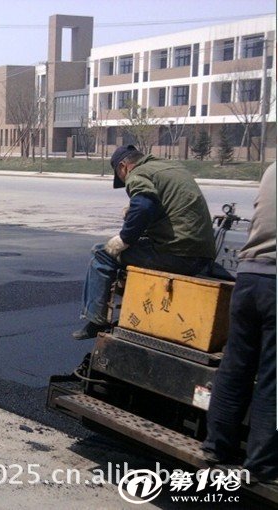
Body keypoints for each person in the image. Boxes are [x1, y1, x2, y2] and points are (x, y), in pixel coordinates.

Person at [73, 145, 216, 340]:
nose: (125, 181)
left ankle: (95, 320)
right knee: (137, 244)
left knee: (102, 253)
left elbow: (144, 206)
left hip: (178, 253)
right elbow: (166, 207)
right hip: (202, 252)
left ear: (124, 167)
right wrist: (133, 213)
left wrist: (124, 238)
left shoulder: (137, 174)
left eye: (121, 176)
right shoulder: (170, 167)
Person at [202, 163, 276, 484]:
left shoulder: (273, 169)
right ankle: (262, 465)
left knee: (235, 366)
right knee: (272, 379)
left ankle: (216, 446)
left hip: (248, 276)